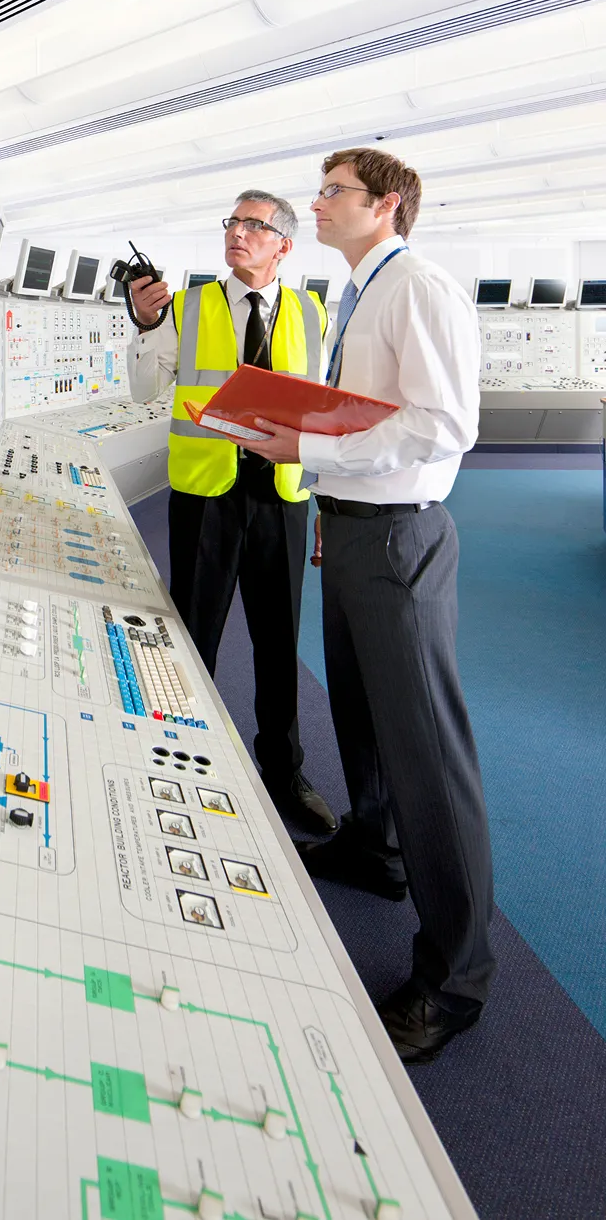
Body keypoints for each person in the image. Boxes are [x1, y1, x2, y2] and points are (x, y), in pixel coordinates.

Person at [224, 148, 495, 1064]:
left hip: (398, 539)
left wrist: (309, 449)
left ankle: (456, 978)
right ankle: (374, 847)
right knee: (362, 715)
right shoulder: (360, 292)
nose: (317, 203)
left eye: (332, 190)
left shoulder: (418, 288)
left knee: (429, 754)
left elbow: (445, 424)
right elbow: (372, 414)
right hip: (352, 527)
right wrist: (327, 487)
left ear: (386, 205)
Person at [127, 191, 335, 835]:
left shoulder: (312, 312)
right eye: (233, 222)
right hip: (206, 493)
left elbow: (324, 406)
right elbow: (144, 389)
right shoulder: (186, 306)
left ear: (283, 245)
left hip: (282, 495)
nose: (237, 232)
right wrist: (143, 325)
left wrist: (327, 497)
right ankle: (178, 754)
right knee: (191, 635)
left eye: (254, 225)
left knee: (278, 641)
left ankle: (284, 771)